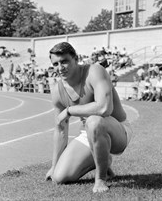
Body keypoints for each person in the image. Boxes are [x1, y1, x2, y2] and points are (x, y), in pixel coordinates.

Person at [45, 42, 132, 193]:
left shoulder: (94, 71)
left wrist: (70, 110)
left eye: (64, 61)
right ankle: (100, 159)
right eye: (56, 64)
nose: (60, 68)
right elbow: (60, 129)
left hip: (117, 129)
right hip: (90, 132)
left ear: (76, 58)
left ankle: (100, 179)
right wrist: (54, 166)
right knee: (60, 177)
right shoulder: (57, 91)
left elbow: (104, 108)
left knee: (93, 121)